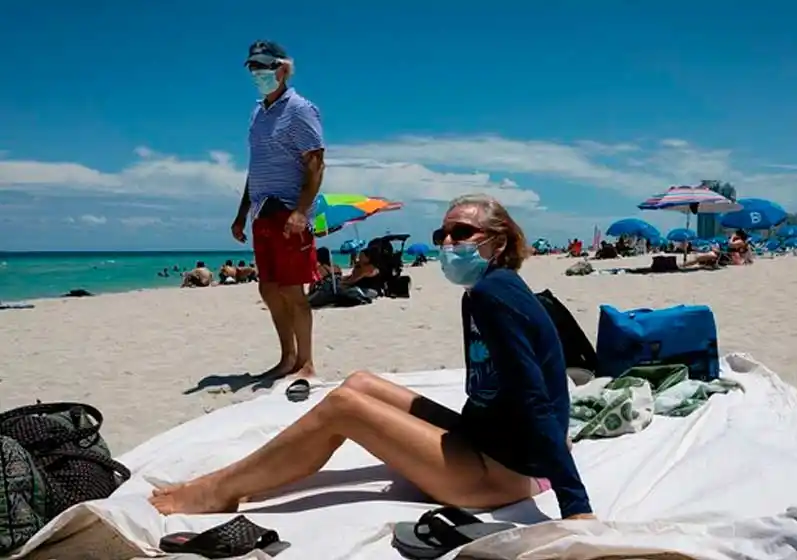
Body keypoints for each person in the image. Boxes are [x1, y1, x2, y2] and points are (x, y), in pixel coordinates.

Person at [150, 194, 594, 521]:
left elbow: (533, 395)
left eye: (462, 233)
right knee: (359, 383)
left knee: (343, 408)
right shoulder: (483, 291)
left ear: (498, 242)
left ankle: (218, 490)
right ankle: (229, 481)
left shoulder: (494, 296)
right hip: (488, 442)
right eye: (443, 234)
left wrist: (575, 505)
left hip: (503, 473)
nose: (447, 243)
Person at [228, 40, 325, 398]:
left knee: (291, 290)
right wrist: (241, 214)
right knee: (268, 289)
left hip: (289, 213)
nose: (258, 74)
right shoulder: (258, 113)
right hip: (261, 213)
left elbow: (316, 163)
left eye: (264, 67)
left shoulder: (300, 109)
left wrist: (301, 211)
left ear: (283, 68)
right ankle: (287, 359)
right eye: (253, 68)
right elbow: (256, 170)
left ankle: (307, 362)